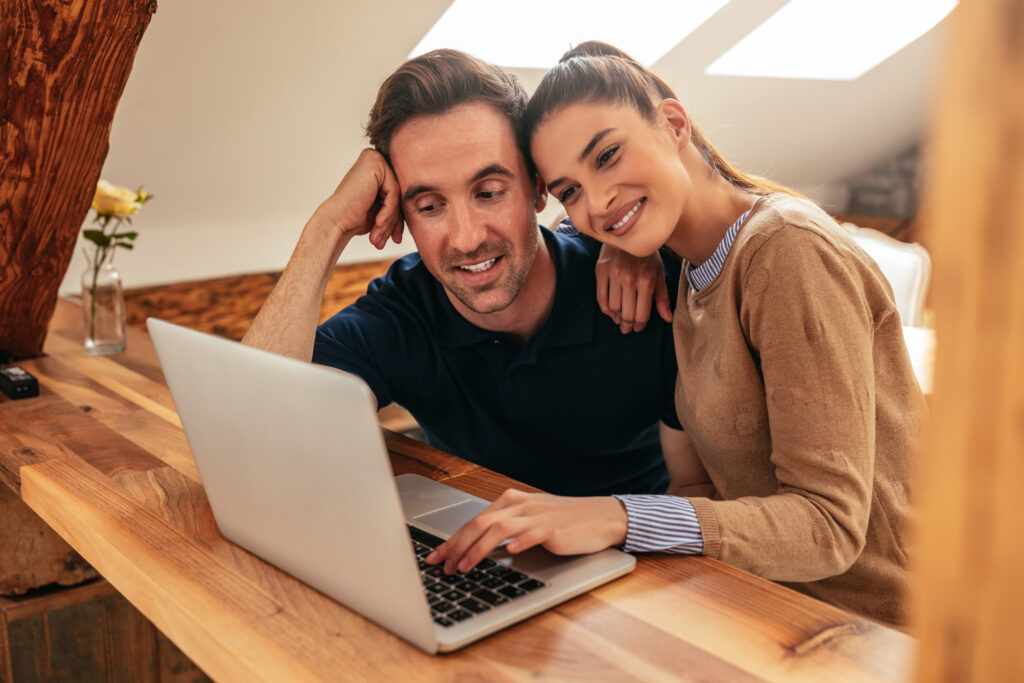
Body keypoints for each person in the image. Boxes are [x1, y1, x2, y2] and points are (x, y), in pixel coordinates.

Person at [427, 42, 926, 627]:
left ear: (672, 122)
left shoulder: (786, 250)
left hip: (888, 630)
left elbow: (828, 529)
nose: (599, 200)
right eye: (569, 189)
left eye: (608, 155)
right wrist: (614, 242)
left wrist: (618, 516)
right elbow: (582, 219)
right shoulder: (689, 269)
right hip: (766, 603)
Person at [242, 48, 695, 499]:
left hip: (639, 552)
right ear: (402, 214)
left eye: (490, 192)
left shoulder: (641, 286)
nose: (465, 238)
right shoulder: (404, 314)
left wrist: (635, 250)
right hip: (479, 555)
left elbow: (697, 490)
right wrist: (328, 226)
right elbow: (252, 436)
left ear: (539, 189)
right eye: (430, 206)